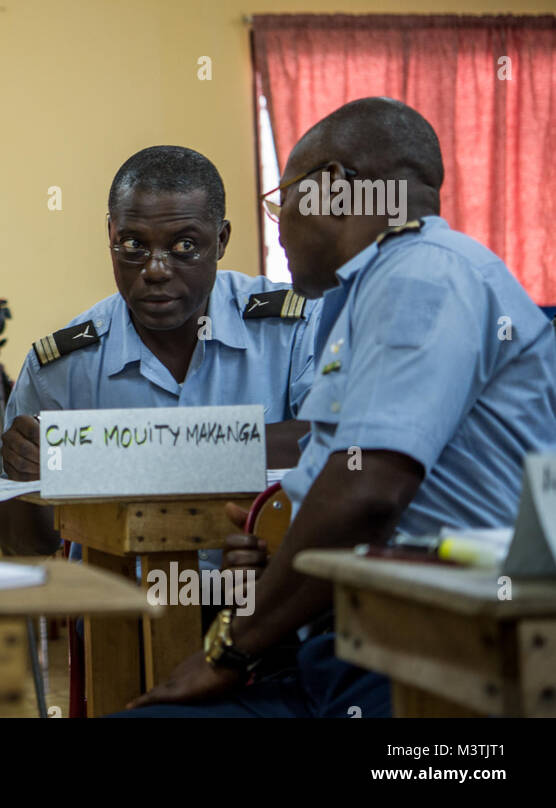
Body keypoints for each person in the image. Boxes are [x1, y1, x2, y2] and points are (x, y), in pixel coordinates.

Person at [124, 98, 556, 717]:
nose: (278, 226)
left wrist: (226, 651)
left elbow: (368, 495)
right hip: (349, 637)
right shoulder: (377, 287)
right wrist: (282, 553)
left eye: (283, 200)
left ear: (332, 189)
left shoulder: (421, 277)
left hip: (432, 659)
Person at [0, 146, 318, 557]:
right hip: (125, 611)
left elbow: (327, 444)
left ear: (221, 240)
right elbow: (24, 546)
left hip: (261, 599)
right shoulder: (60, 366)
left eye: (184, 245)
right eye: (133, 244)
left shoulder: (292, 329)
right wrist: (25, 480)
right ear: (110, 236)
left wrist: (123, 454)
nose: (155, 269)